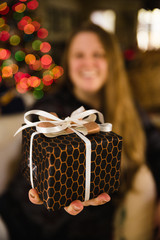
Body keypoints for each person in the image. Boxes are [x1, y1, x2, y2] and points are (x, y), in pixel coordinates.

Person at [0, 22, 156, 240]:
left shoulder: (127, 106)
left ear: (111, 61)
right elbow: (34, 164)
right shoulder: (51, 107)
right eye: (79, 55)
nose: (88, 63)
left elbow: (154, 144)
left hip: (90, 224)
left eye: (98, 54)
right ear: (68, 62)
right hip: (25, 220)